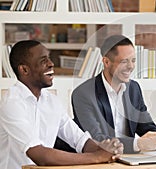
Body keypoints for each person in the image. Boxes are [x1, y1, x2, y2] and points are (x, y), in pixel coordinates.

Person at [0, 40, 124, 169]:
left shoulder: (52, 101)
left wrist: (107, 150)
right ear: (24, 69)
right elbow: (40, 156)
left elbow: (80, 141)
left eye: (49, 58)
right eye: (43, 61)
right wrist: (98, 157)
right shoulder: (12, 103)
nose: (51, 64)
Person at [72, 35, 156, 153]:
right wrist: (137, 144)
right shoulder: (83, 94)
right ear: (106, 62)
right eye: (124, 61)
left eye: (133, 60)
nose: (131, 66)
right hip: (100, 160)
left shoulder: (133, 89)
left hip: (130, 160)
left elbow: (145, 126)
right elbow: (95, 140)